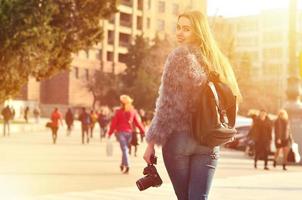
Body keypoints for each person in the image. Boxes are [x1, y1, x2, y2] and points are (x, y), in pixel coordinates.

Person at [143, 10, 241, 200]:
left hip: (180, 140)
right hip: (209, 140)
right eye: (178, 28)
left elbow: (167, 105)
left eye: (186, 29)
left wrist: (151, 143)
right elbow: (230, 103)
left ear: (198, 32)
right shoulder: (219, 61)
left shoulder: (178, 56)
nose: (180, 33)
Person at [107, 95, 145, 174]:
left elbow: (114, 123)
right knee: (125, 150)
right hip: (130, 133)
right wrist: (143, 131)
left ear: (122, 103)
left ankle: (127, 165)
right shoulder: (133, 111)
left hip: (121, 133)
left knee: (124, 149)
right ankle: (122, 164)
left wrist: (110, 133)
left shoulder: (118, 112)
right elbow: (137, 122)